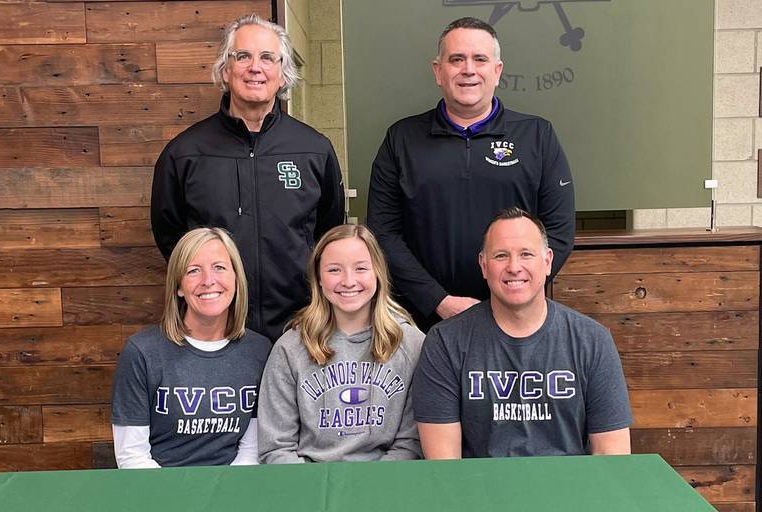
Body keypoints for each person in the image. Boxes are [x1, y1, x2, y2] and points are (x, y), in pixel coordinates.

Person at [367, 16, 574, 330]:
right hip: (421, 322)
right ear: (438, 71)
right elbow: (383, 234)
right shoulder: (402, 140)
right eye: (456, 59)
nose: (468, 70)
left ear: (497, 70)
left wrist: (509, 297)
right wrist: (438, 300)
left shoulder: (537, 137)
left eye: (480, 59)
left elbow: (558, 232)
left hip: (514, 320)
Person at [151, 14, 345, 342]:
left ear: (283, 74)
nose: (255, 67)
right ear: (226, 70)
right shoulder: (183, 154)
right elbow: (172, 239)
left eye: (267, 57)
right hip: (217, 330)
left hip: (298, 329)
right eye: (243, 56)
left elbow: (328, 234)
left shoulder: (314, 150)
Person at [413, 207, 631, 458]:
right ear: (484, 265)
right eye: (501, 256)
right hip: (480, 493)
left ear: (547, 261)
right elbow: (444, 466)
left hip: (568, 492)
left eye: (526, 254)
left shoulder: (592, 341)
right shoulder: (445, 343)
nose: (514, 267)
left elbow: (612, 456)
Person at [257, 224, 424, 463]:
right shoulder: (290, 348)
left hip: (385, 484)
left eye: (361, 268)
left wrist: (372, 489)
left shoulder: (411, 344)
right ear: (319, 279)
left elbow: (412, 443)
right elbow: (276, 447)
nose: (348, 281)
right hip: (310, 484)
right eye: (334, 270)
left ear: (378, 272)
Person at [111, 227, 272, 468]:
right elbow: (132, 456)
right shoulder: (142, 352)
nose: (208, 281)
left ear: (236, 279)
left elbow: (251, 450)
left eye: (219, 267)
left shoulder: (259, 350)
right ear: (178, 286)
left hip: (233, 491)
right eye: (193, 271)